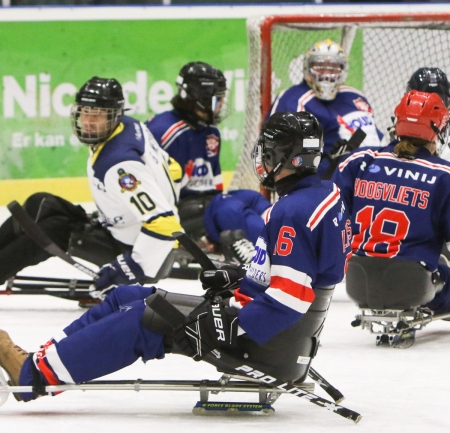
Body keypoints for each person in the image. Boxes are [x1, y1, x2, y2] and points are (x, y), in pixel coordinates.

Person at [0, 111, 351, 402]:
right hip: (280, 334)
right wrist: (241, 277)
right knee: (127, 294)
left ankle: (32, 376)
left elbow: (290, 297)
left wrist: (228, 328)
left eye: (269, 151)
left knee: (144, 317)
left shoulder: (292, 211)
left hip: (263, 343)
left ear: (283, 157)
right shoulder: (323, 193)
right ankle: (40, 360)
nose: (262, 158)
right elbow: (303, 274)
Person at [0, 77, 183, 302]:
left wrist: (130, 268)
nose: (88, 121)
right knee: (40, 202)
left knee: (51, 230)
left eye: (96, 115)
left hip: (139, 251)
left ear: (114, 115)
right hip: (120, 229)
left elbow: (165, 226)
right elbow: (174, 169)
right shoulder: (130, 126)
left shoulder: (119, 165)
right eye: (84, 113)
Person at [332, 90, 450, 316]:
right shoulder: (444, 175)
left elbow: (331, 221)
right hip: (413, 284)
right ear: (436, 130)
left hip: (357, 281)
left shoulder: (359, 161)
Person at [146, 62, 271, 264]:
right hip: (180, 212)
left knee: (251, 198)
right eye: (217, 98)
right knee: (231, 210)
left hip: (207, 206)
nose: (221, 103)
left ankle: (287, 234)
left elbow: (214, 184)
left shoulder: (210, 131)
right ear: (200, 99)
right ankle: (275, 249)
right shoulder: (164, 131)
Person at [268, 39, 384, 178]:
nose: (327, 74)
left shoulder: (355, 97)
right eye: (320, 67)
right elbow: (276, 155)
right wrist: (329, 165)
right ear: (307, 67)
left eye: (333, 68)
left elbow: (375, 137)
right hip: (325, 185)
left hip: (372, 177)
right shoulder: (294, 100)